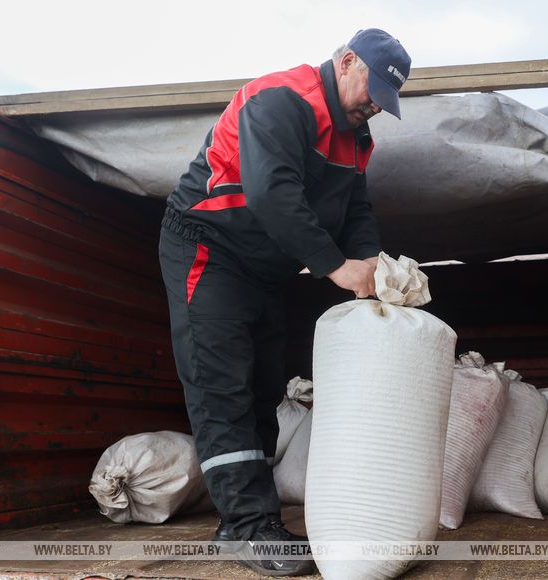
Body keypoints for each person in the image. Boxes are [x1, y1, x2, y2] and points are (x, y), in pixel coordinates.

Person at [158, 28, 411, 576]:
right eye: (372, 91)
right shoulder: (281, 101)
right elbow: (273, 192)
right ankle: (249, 529)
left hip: (264, 265)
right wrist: (338, 268)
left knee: (265, 386)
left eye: (385, 104)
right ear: (346, 62)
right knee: (220, 383)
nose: (374, 108)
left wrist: (373, 264)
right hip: (209, 244)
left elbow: (356, 211)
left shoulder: (356, 136)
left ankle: (246, 518)